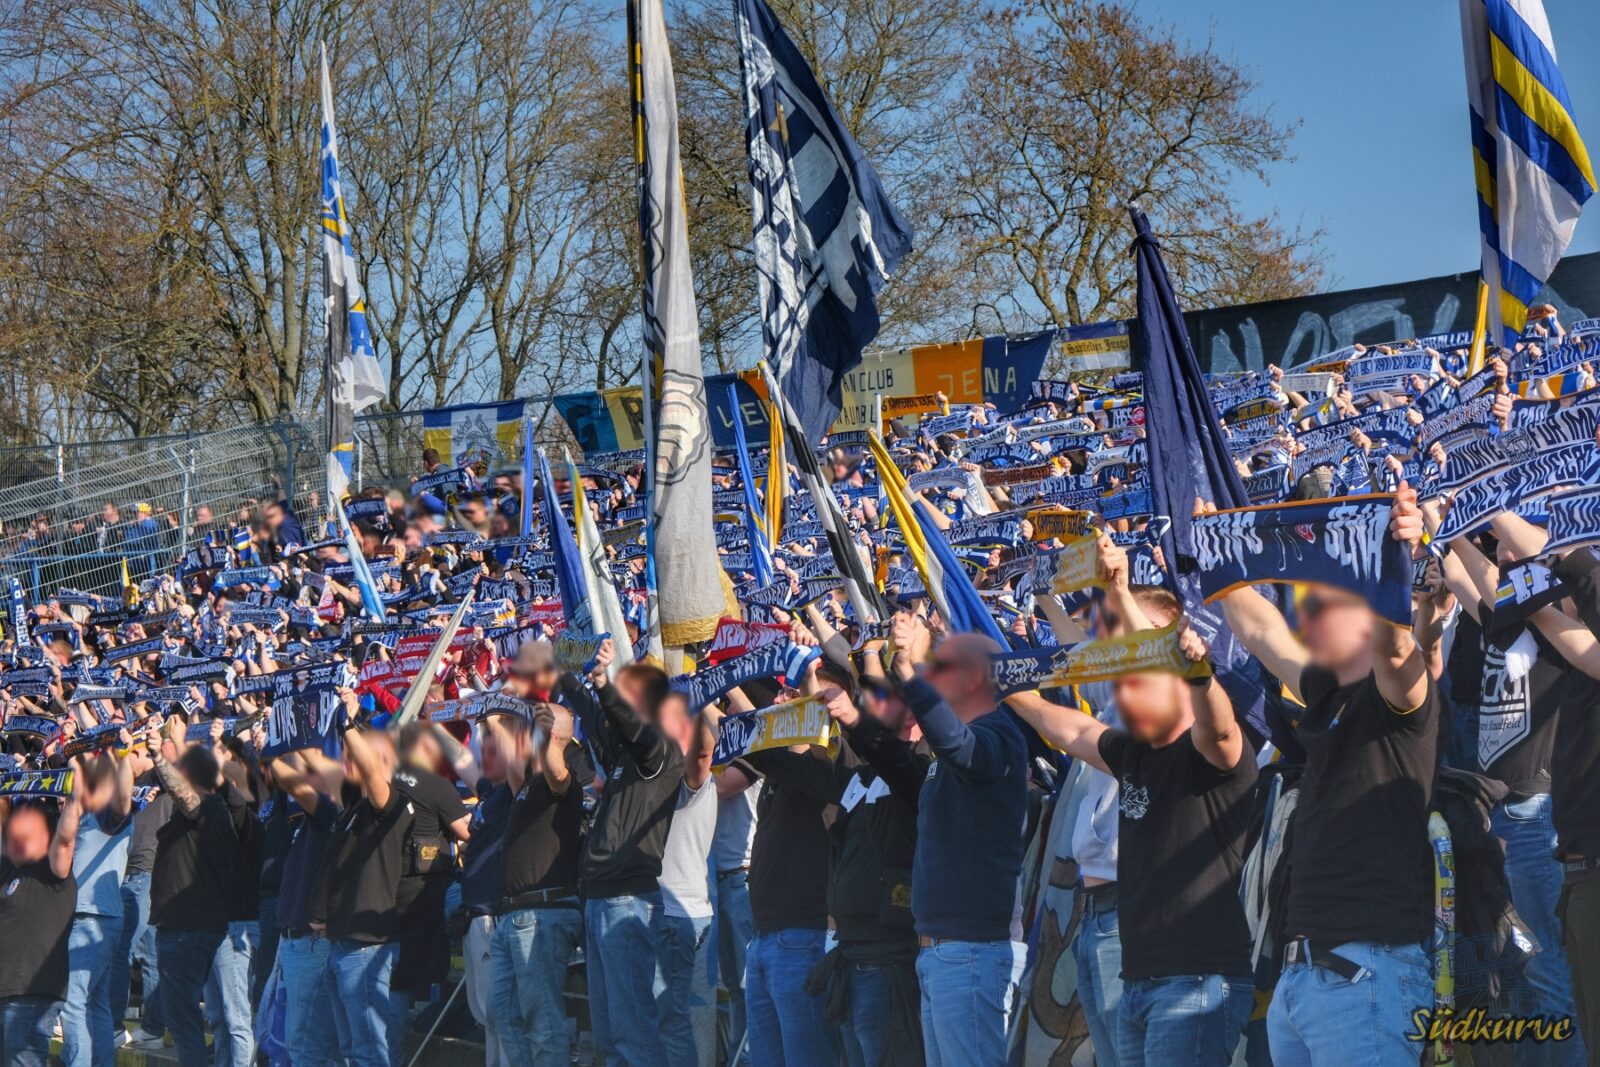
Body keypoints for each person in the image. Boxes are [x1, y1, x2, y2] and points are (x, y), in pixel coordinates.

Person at [1220, 485, 1439, 1067]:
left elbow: (1396, 648)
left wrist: (1390, 558)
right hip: (1301, 977)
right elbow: (1261, 633)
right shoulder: (1325, 691)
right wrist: (1217, 551)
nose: (1313, 619)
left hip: (1366, 974)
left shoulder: (1403, 700)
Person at [1011, 571, 1257, 1067]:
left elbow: (1221, 730)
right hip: (1140, 981)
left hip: (1195, 982)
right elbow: (1073, 731)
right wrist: (1005, 687)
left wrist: (1199, 674)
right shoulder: (1135, 753)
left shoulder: (1209, 753)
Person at [887, 611, 1030, 1067]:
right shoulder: (951, 748)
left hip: (973, 951)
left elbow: (956, 744)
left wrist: (910, 672)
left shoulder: (999, 737)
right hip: (944, 951)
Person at [572, 642, 683, 1067]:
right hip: (600, 898)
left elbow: (628, 725)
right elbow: (595, 717)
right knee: (609, 1037)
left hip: (627, 901)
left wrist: (604, 683)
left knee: (633, 1033)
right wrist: (563, 667)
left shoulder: (659, 751)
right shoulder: (624, 757)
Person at [483, 700, 585, 1067]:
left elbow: (557, 773)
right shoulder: (527, 784)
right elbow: (513, 759)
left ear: (553, 736)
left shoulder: (566, 783)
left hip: (543, 914)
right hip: (517, 914)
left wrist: (545, 737)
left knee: (542, 1020)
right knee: (502, 1012)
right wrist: (493, 718)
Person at [143, 718, 248, 1067]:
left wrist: (160, 757)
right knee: (205, 1018)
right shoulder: (218, 810)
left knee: (184, 1021)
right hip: (198, 928)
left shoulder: (208, 806)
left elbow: (185, 796)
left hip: (186, 930)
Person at [322, 696, 412, 1067]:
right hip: (341, 944)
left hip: (366, 948)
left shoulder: (389, 804)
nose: (348, 760)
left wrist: (348, 726)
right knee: (350, 1052)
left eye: (355, 754)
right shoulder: (350, 810)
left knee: (370, 1052)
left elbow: (374, 776)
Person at [60, 737, 135, 1067]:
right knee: (96, 1002)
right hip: (84, 916)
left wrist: (123, 755)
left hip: (94, 917)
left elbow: (124, 796)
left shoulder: (110, 813)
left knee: (73, 1002)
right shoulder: (86, 810)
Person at [653, 690, 718, 1067]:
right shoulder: (661, 781)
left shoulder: (691, 783)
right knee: (677, 1019)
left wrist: (700, 696)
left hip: (677, 915)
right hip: (675, 913)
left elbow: (703, 753)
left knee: (671, 1020)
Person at [0, 783, 81, 1067]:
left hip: (30, 992)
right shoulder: (8, 868)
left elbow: (66, 841)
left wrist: (73, 802)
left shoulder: (53, 872)